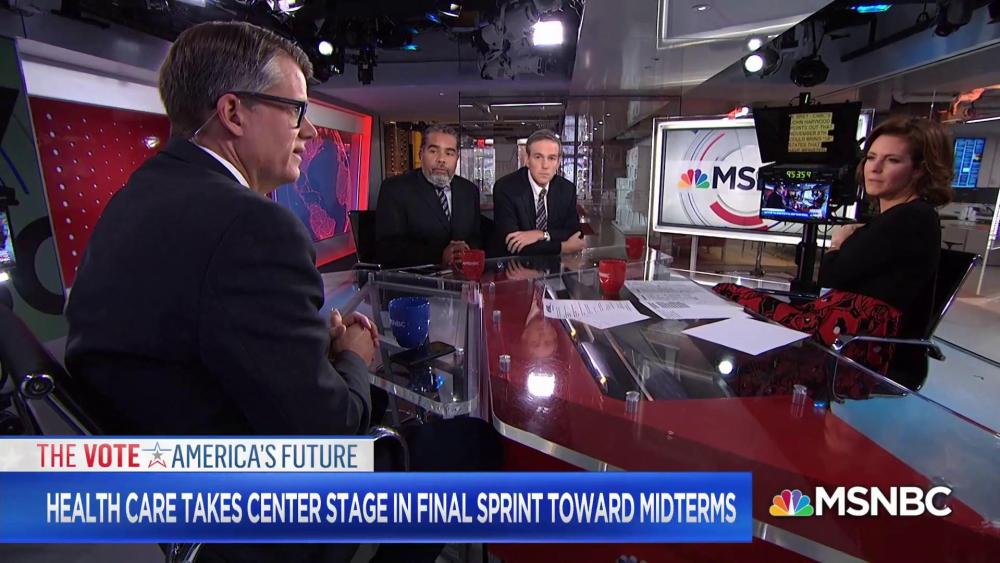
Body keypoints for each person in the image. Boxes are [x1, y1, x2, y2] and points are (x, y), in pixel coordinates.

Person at [64, 22, 379, 562]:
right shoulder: (254, 227)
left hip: (151, 502)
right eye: (296, 110)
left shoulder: (134, 197)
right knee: (457, 449)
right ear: (233, 112)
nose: (310, 132)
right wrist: (353, 357)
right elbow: (329, 436)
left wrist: (304, 349)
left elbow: (199, 339)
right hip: (244, 523)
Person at [375, 124, 482, 268]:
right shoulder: (395, 189)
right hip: (414, 279)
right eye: (433, 151)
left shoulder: (469, 190)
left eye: (449, 153)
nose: (441, 159)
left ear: (457, 158)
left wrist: (467, 249)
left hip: (461, 277)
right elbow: (387, 248)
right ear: (421, 154)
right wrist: (439, 255)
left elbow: (476, 236)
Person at [491, 129, 586, 257]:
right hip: (515, 265)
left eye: (551, 158)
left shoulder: (567, 189)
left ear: (558, 163)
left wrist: (541, 234)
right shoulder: (506, 188)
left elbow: (574, 233)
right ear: (527, 159)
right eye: (538, 157)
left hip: (555, 266)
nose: (545, 165)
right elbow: (513, 244)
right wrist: (563, 247)